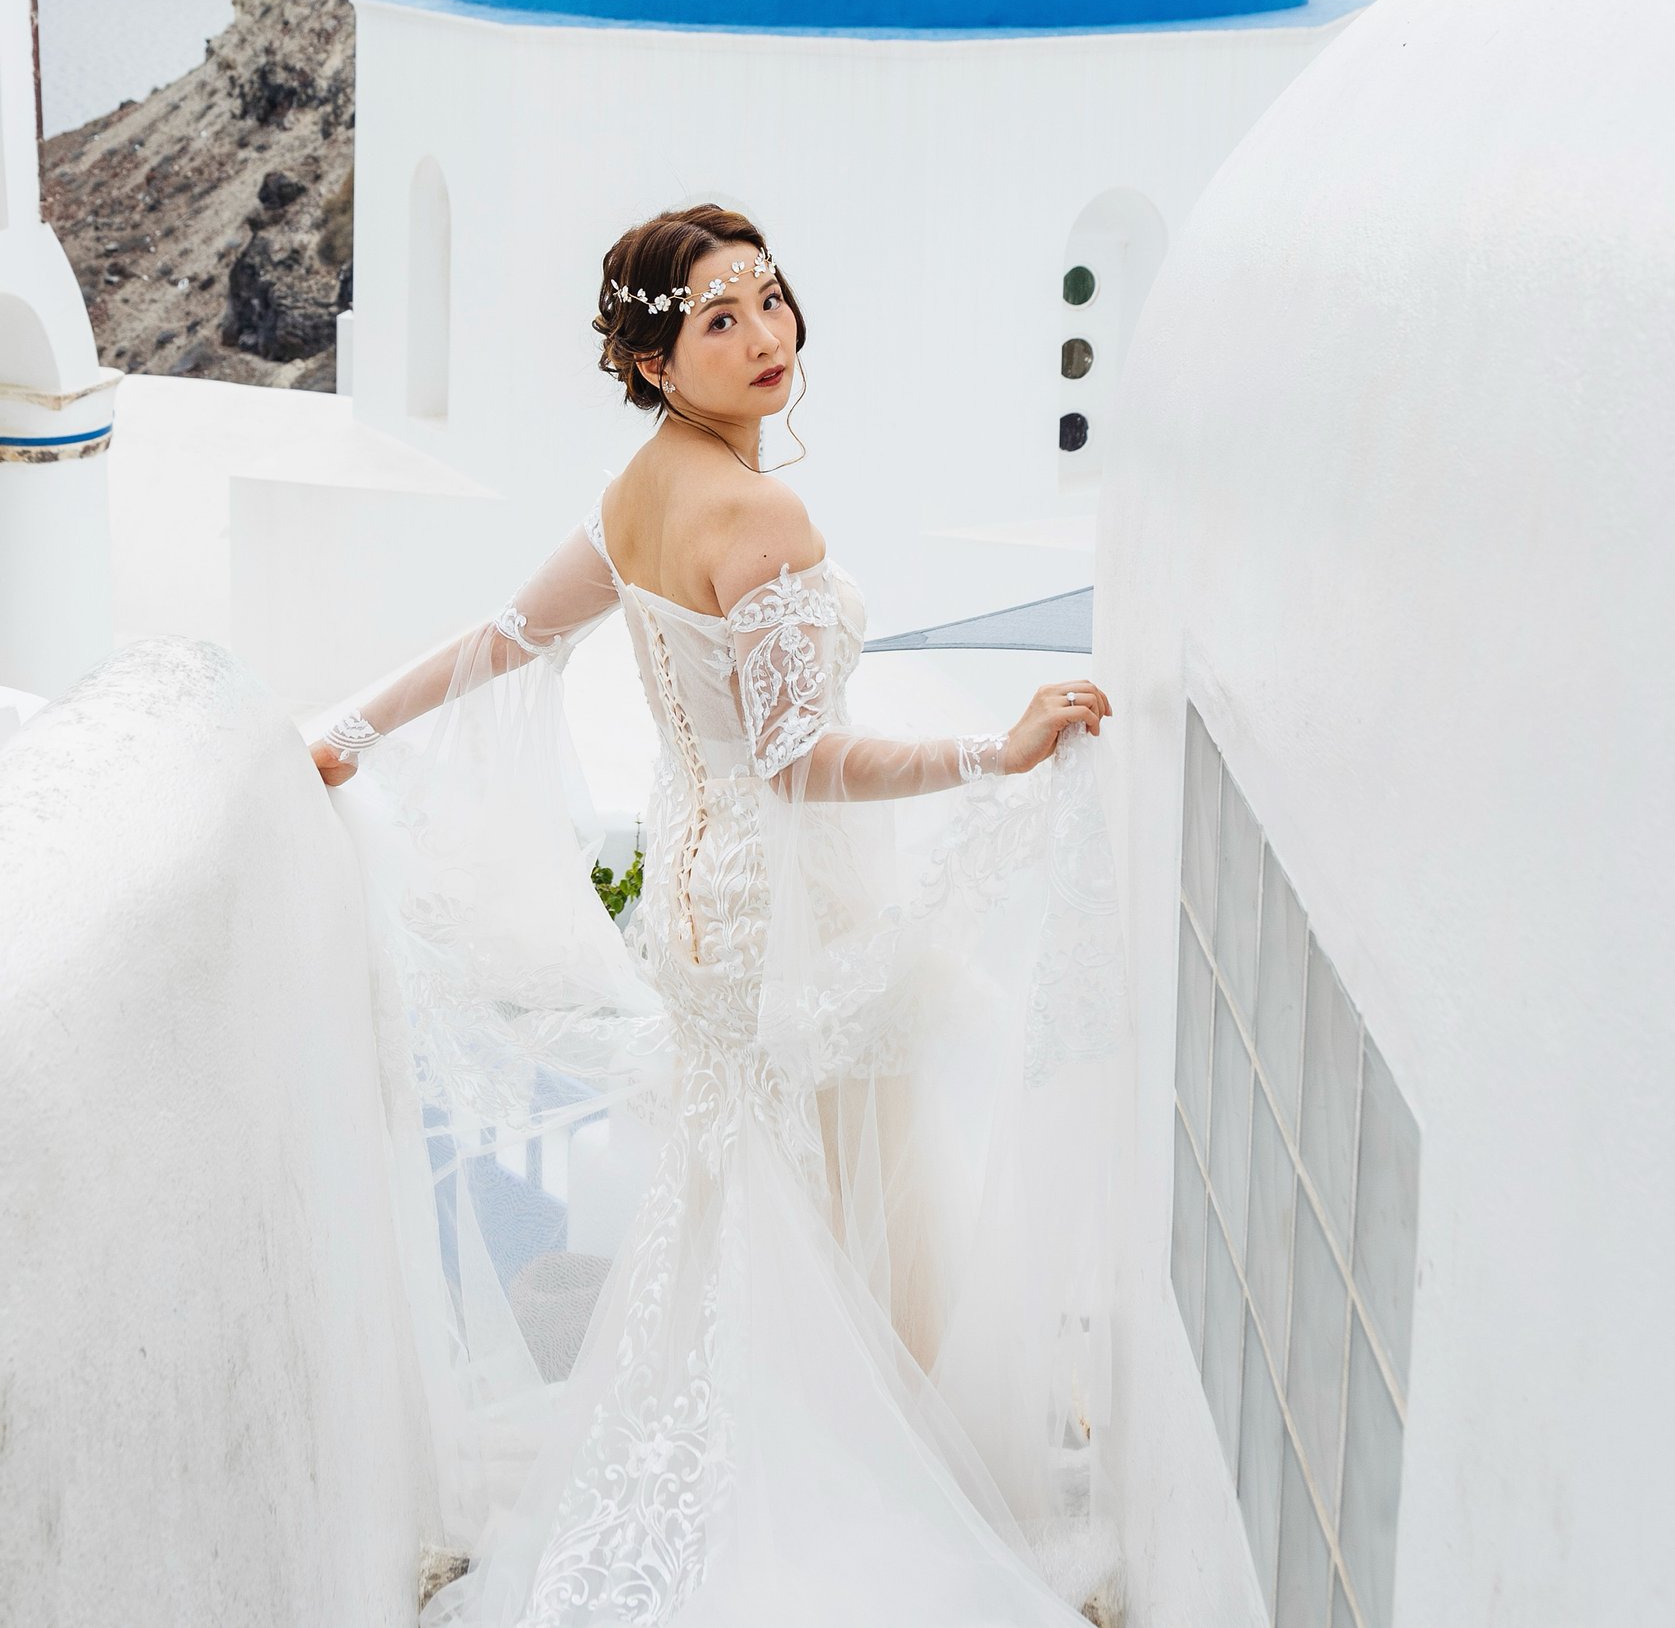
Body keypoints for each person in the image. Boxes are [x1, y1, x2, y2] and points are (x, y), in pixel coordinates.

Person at [313, 205, 1125, 1626]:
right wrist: (988, 757)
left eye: (769, 300)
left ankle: (746, 1462)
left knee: (748, 1206)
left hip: (695, 911)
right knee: (828, 1197)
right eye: (717, 319)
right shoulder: (759, 513)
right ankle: (825, 1502)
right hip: (779, 908)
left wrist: (354, 729)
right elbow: (805, 761)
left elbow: (510, 639)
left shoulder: (641, 492)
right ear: (651, 354)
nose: (764, 338)